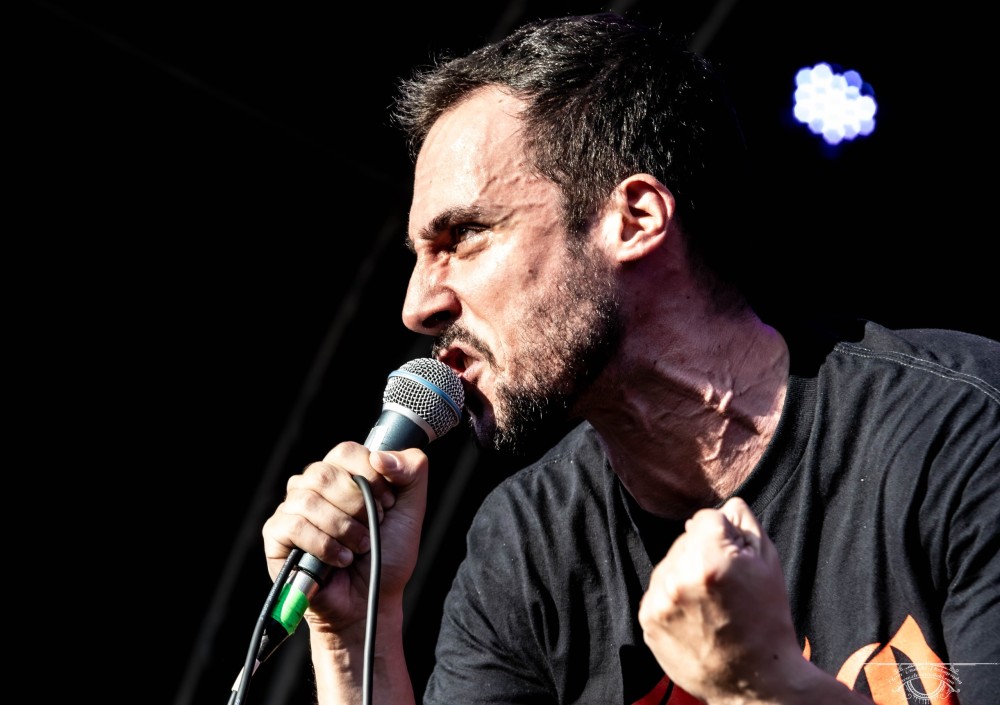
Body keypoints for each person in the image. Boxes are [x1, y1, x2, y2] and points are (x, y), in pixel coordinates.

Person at [261, 12, 1000, 704]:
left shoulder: (961, 430)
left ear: (635, 218)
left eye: (464, 237)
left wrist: (761, 683)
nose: (417, 304)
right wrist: (354, 636)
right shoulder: (530, 543)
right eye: (420, 256)